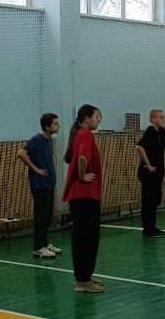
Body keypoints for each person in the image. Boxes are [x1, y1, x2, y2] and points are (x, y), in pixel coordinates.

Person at [63, 105, 104, 292]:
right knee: (87, 238)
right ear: (87, 118)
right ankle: (82, 281)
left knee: (83, 237)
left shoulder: (78, 133)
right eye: (96, 117)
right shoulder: (86, 134)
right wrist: (82, 176)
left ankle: (84, 276)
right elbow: (82, 158)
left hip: (80, 196)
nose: (98, 121)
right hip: (85, 195)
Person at [17, 113, 63, 259]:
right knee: (41, 216)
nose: (58, 125)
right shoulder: (37, 139)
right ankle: (37, 248)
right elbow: (21, 153)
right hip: (39, 184)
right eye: (55, 123)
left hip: (49, 182)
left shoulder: (50, 140)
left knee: (48, 216)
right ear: (47, 127)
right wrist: (36, 169)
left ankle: (44, 243)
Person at [135, 109, 165, 238]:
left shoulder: (161, 133)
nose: (163, 120)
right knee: (149, 200)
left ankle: (152, 226)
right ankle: (147, 228)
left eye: (164, 117)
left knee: (155, 200)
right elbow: (139, 147)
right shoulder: (150, 132)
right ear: (153, 119)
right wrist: (148, 164)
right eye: (161, 118)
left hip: (158, 172)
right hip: (149, 173)